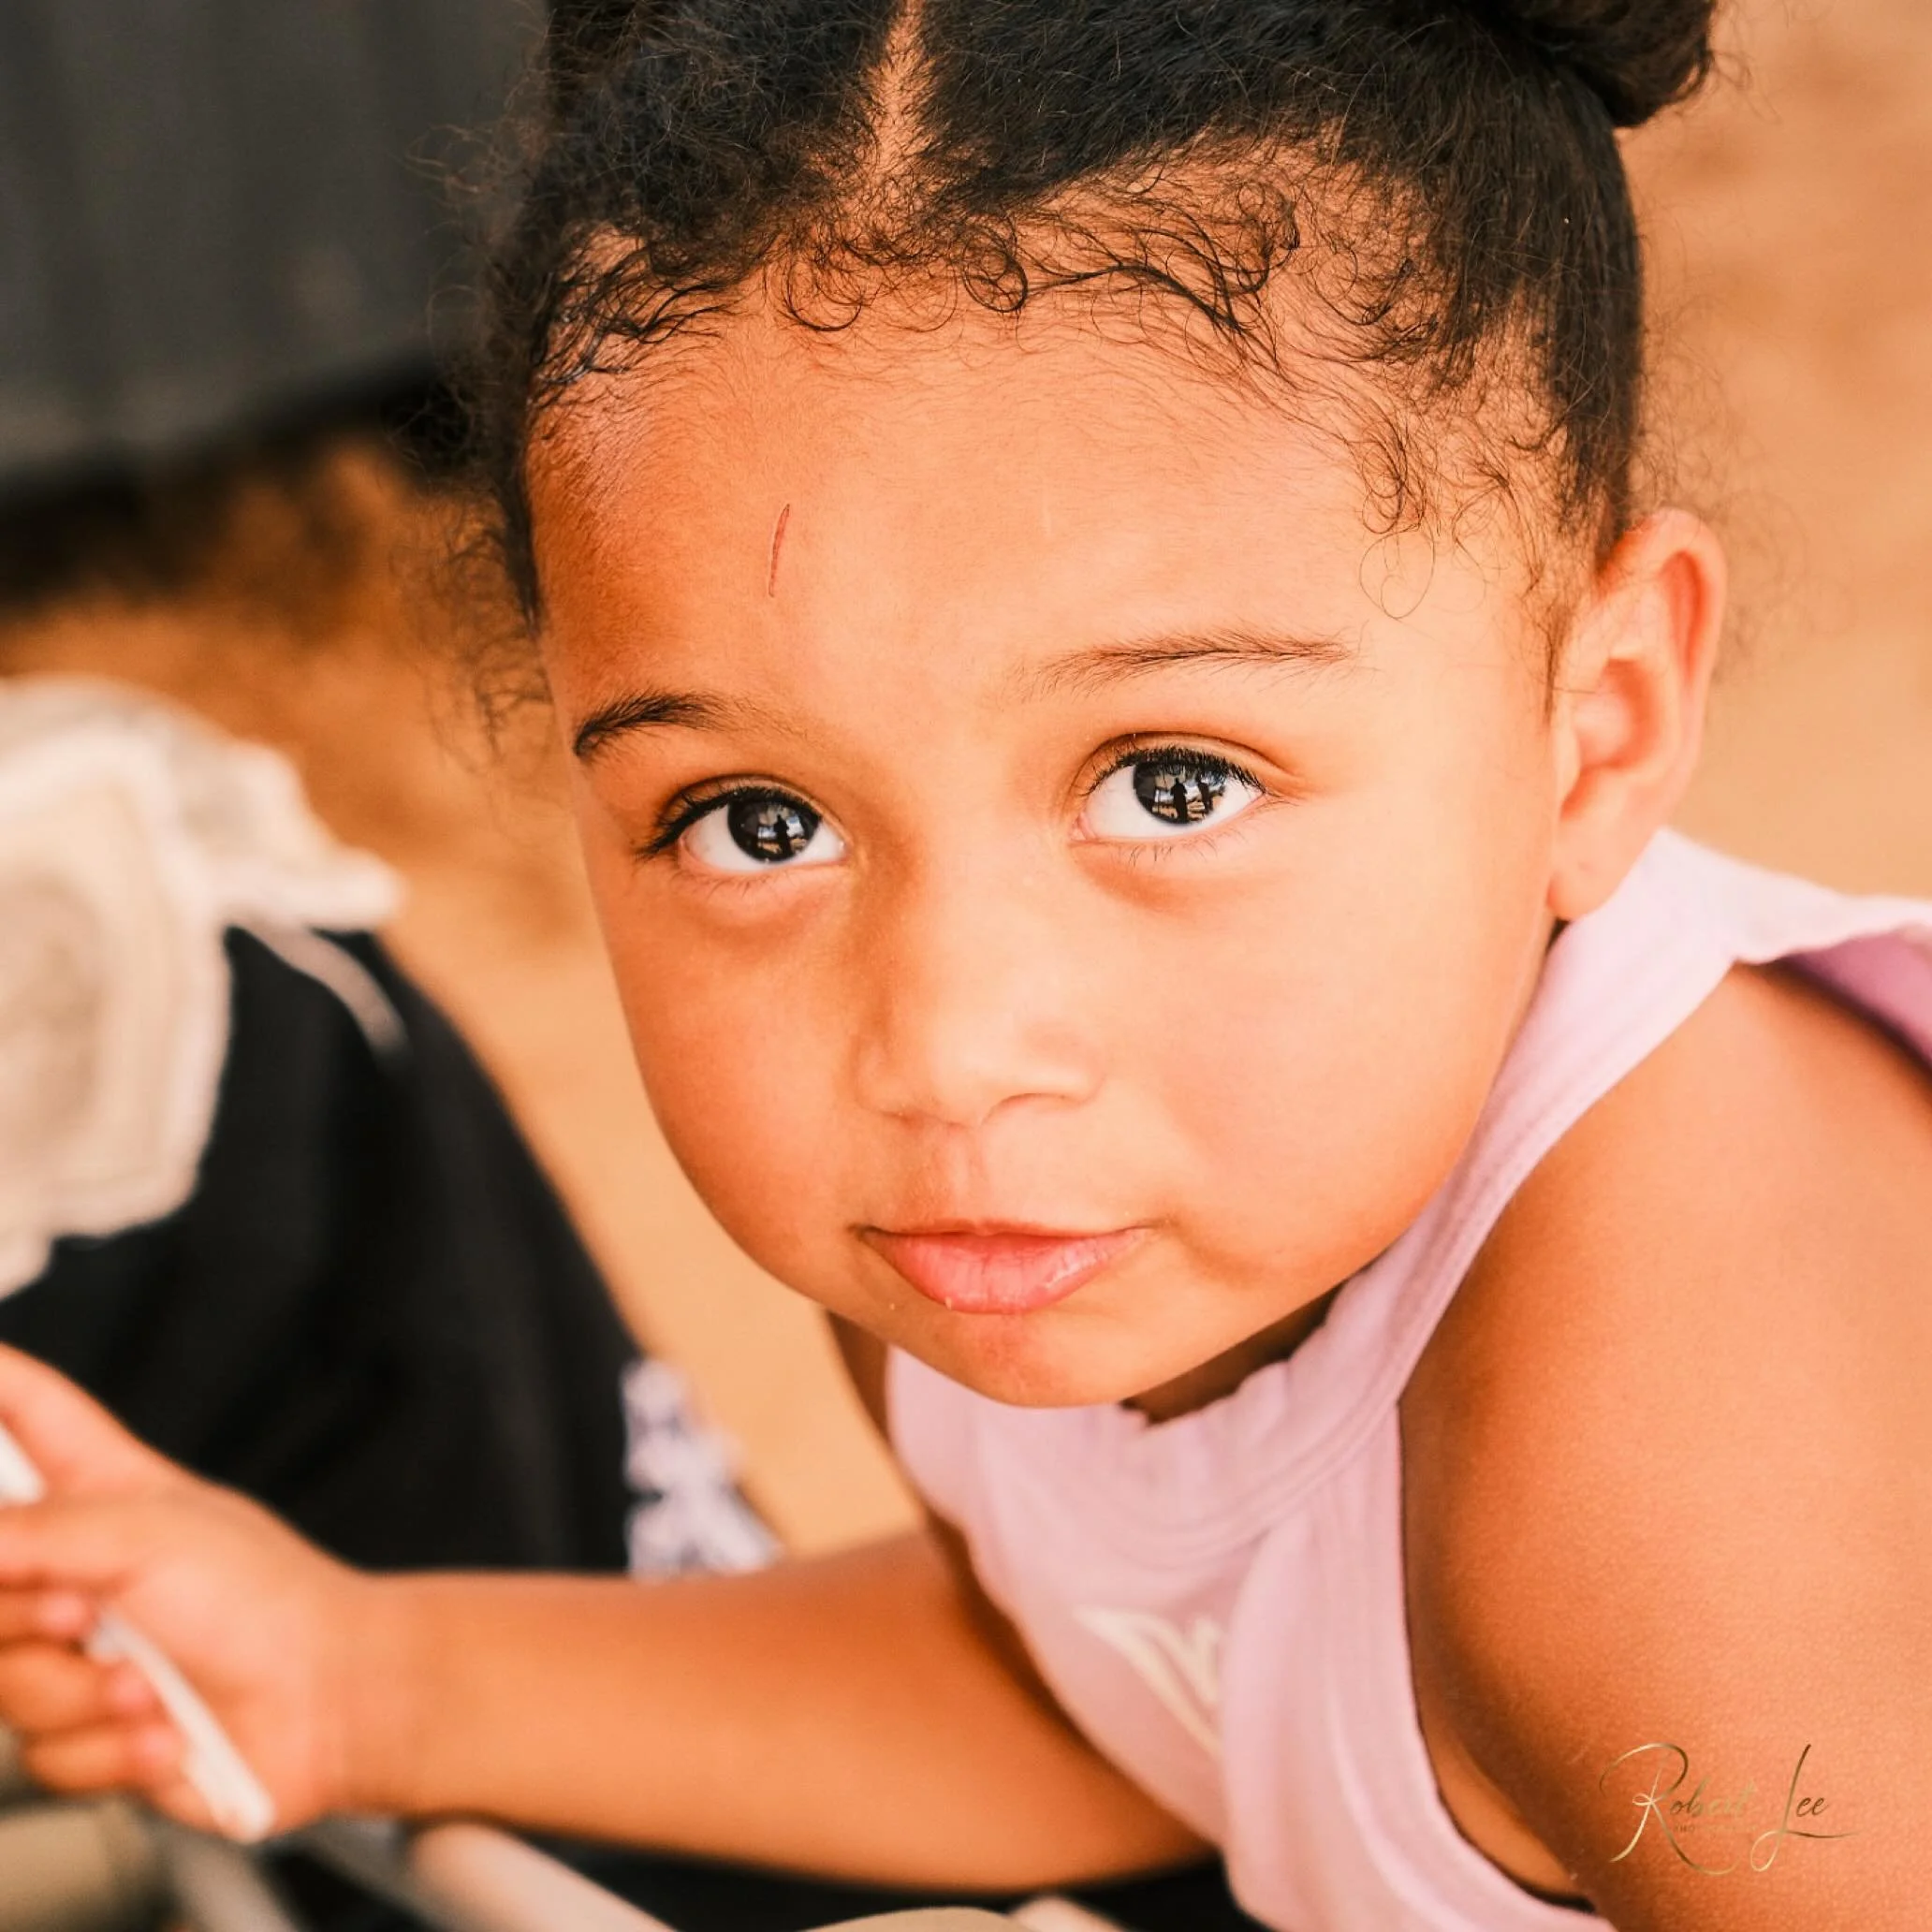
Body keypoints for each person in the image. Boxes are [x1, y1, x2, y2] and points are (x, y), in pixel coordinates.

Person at [1, 2, 1929, 1927]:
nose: (942, 1039)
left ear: (1597, 724)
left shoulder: (1684, 1496)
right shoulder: (1007, 1214)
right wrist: (365, 1681)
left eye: (1173, 784)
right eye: (761, 822)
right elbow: (1099, 1683)